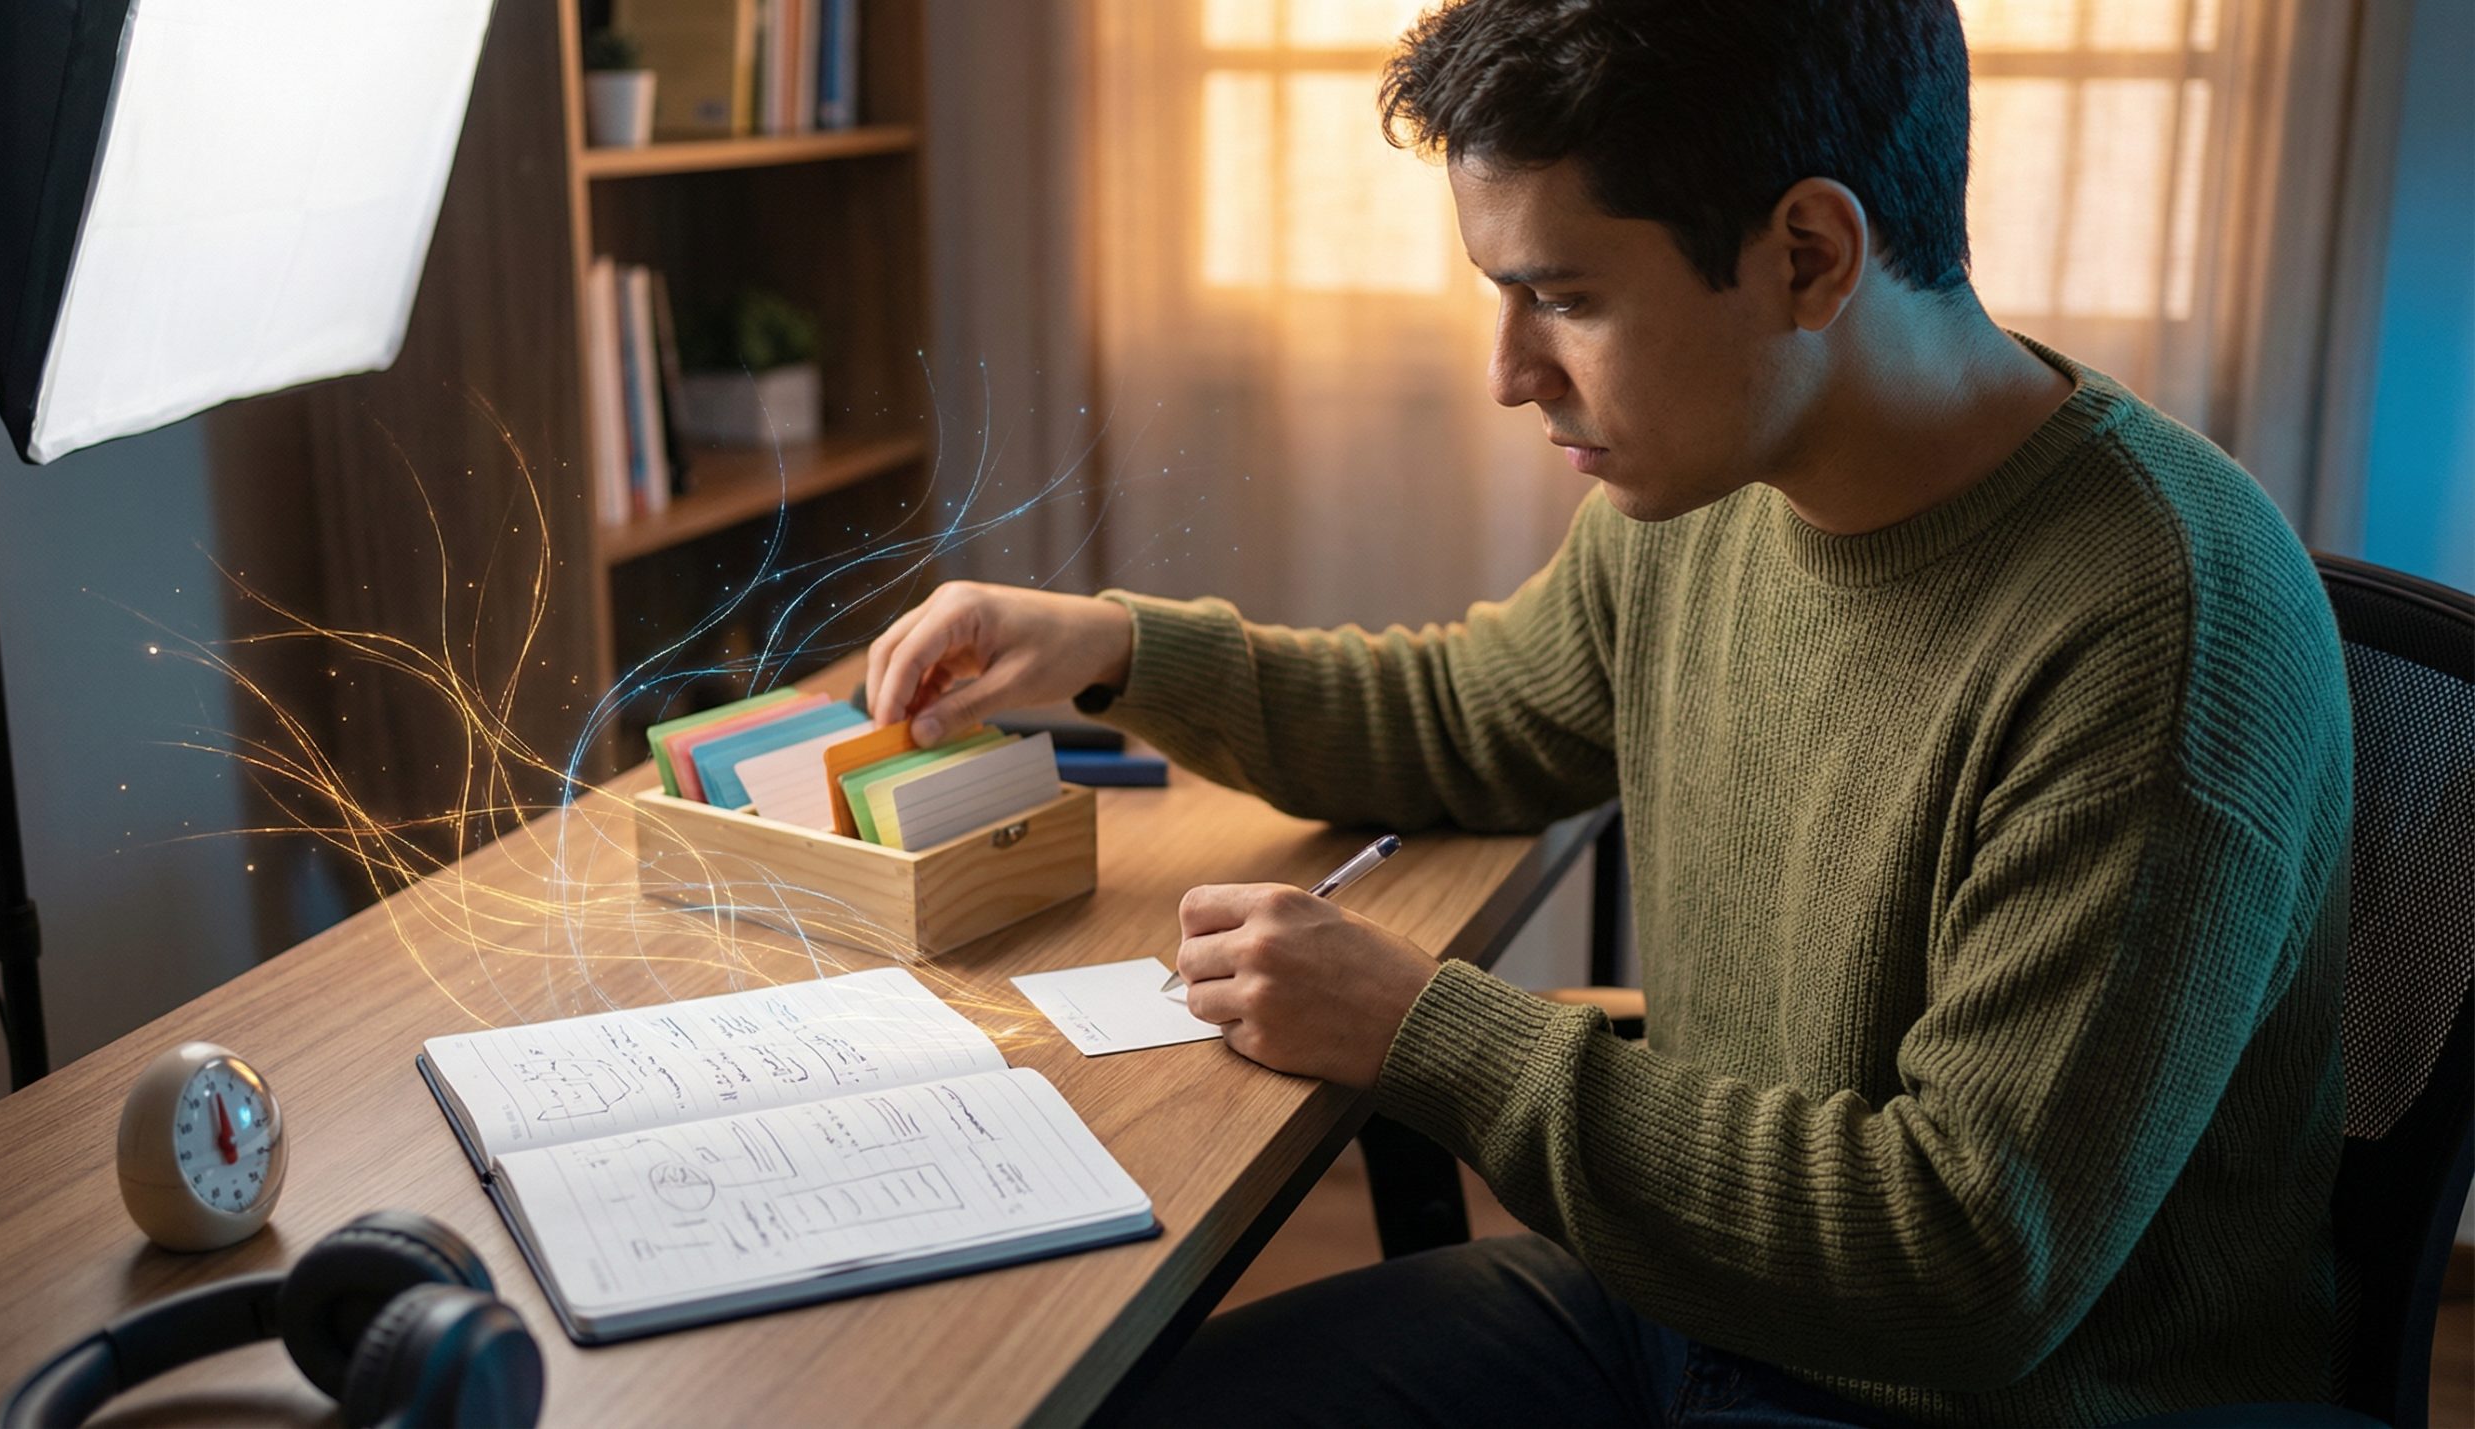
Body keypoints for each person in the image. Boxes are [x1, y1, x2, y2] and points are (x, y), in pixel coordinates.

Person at [865, 0, 2352, 1423]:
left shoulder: (2159, 626)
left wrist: (1424, 1029)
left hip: (1996, 1402)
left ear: (1812, 256)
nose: (1510, 373)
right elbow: (1465, 719)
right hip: (1698, 1310)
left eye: (1564, 299)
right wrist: (1118, 648)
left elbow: (1967, 1254)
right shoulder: (1702, 496)